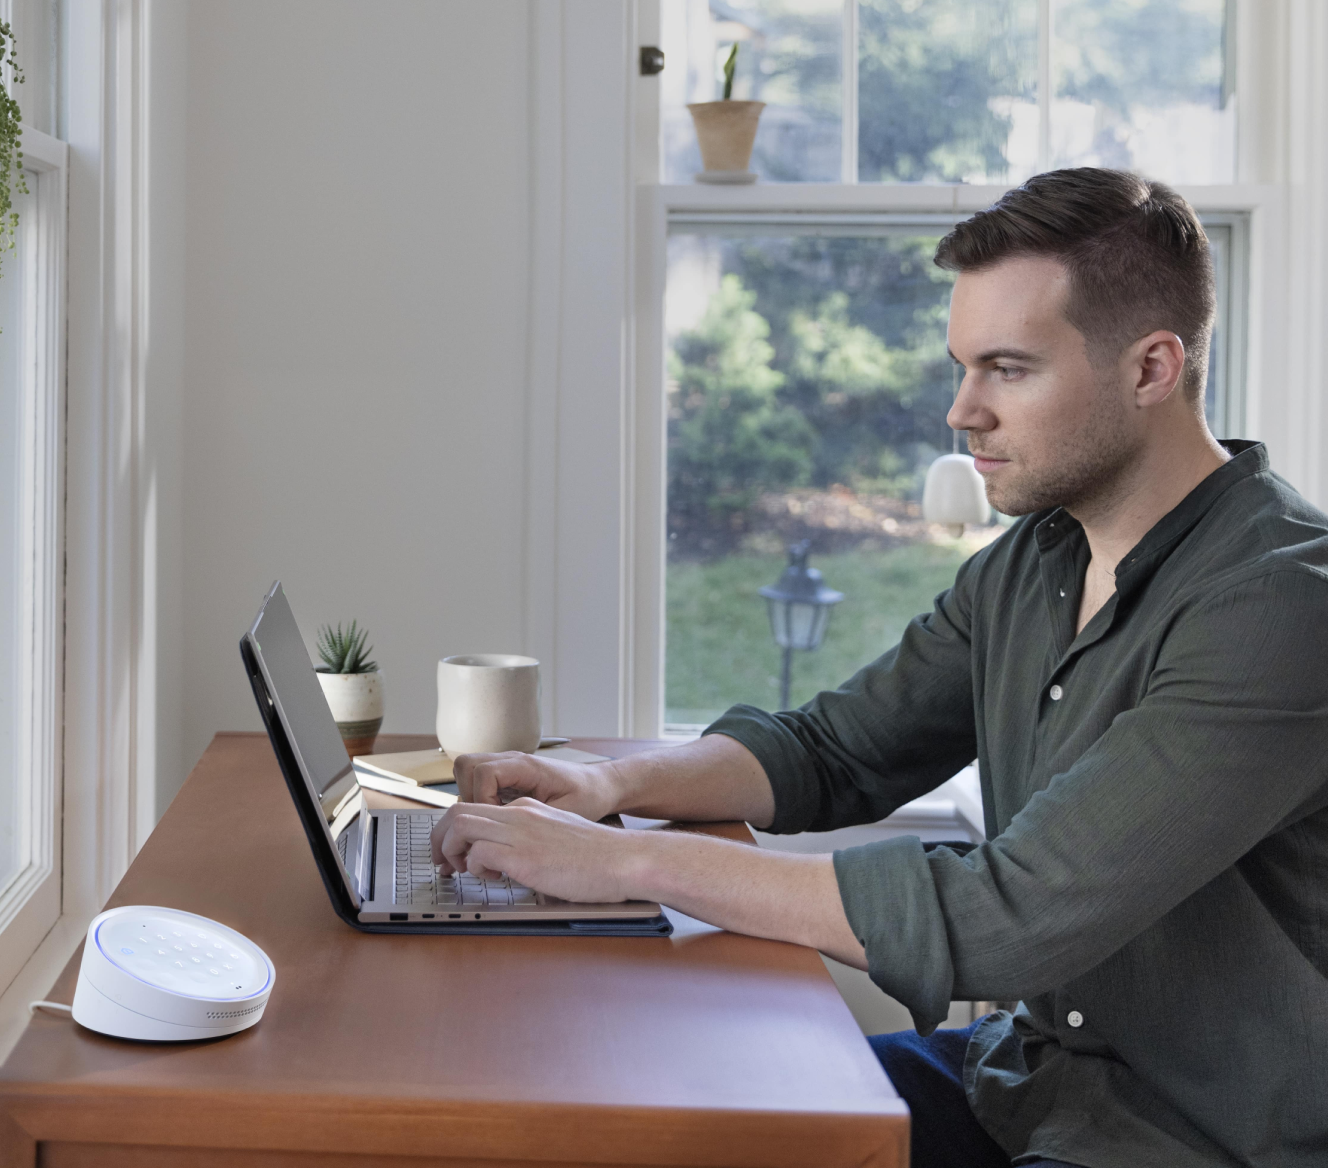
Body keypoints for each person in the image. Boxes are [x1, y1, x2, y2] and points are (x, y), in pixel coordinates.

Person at [430, 168, 1328, 1168]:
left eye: (1006, 368)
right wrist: (608, 784)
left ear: (1150, 368)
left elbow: (1003, 918)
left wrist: (622, 864)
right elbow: (833, 750)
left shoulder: (1282, 606)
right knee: (681, 1119)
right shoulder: (1033, 564)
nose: (960, 410)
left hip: (1190, 1143)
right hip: (1025, 1086)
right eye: (960, 366)